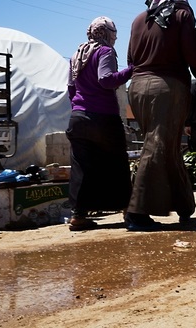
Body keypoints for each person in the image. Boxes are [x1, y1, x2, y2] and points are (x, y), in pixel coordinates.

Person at [125, 0, 196, 231]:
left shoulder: (139, 19)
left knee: (168, 145)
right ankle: (136, 212)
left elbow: (130, 58)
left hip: (137, 88)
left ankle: (184, 206)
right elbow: (192, 55)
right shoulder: (183, 14)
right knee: (158, 144)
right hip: (166, 88)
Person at [66, 16, 133, 231]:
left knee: (81, 167)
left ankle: (78, 216)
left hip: (78, 118)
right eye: (114, 33)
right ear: (107, 33)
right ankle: (128, 211)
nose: (115, 37)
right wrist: (132, 69)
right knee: (117, 163)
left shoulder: (77, 54)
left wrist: (79, 108)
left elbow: (71, 89)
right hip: (103, 117)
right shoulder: (105, 51)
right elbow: (106, 79)